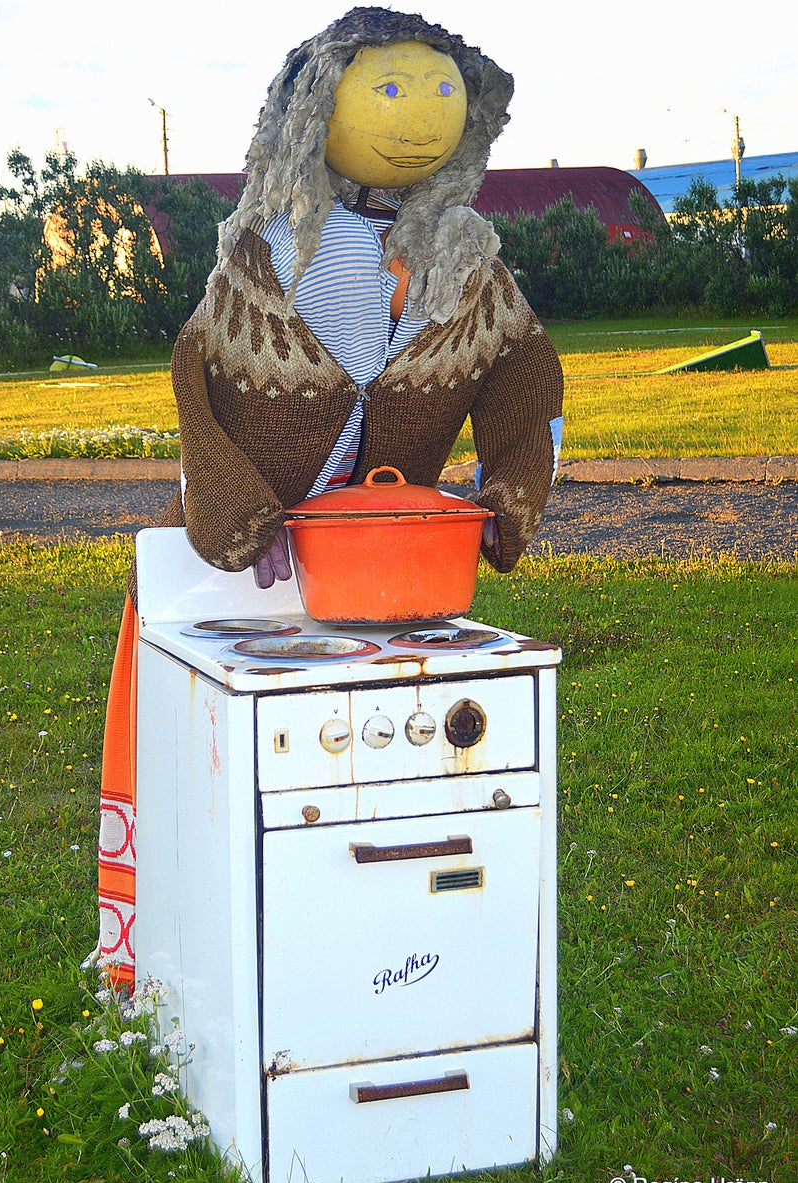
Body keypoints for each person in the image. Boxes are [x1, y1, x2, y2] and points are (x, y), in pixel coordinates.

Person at [92, 5, 564, 987]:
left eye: (438, 90)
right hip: (239, 577)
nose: (420, 115)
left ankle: (380, 969)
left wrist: (509, 492)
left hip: (390, 581)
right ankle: (182, 975)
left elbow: (524, 385)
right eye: (386, 89)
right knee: (209, 789)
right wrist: (233, 509)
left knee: (381, 791)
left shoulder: (467, 256)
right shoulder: (267, 244)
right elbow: (198, 378)